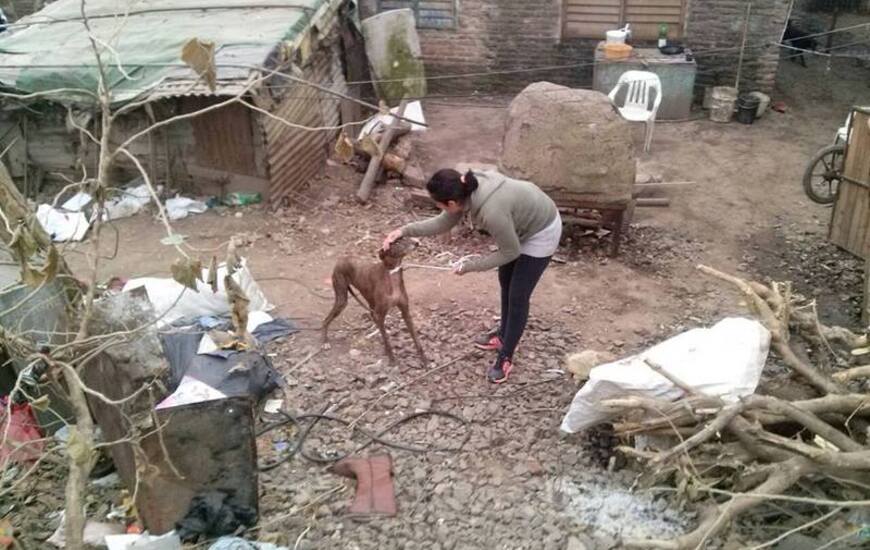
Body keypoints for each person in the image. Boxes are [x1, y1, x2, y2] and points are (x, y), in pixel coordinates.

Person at [384, 168, 562, 383]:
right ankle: (502, 336)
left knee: (518, 297)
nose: (439, 208)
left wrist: (471, 266)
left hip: (542, 230)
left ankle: (506, 356)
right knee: (506, 282)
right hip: (519, 225)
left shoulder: (492, 212)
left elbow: (510, 252)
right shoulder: (465, 189)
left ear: (451, 203)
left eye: (439, 204)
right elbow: (443, 222)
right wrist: (403, 231)